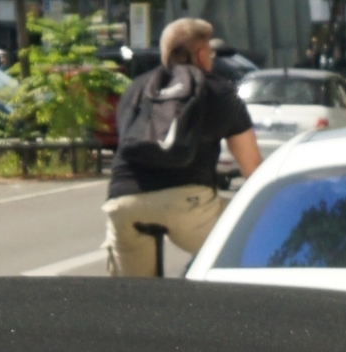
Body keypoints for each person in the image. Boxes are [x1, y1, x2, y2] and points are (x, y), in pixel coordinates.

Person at [103, 15, 262, 277]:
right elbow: (252, 168)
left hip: (124, 202)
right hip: (189, 205)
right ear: (200, 53)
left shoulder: (135, 90)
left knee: (132, 301)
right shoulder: (220, 92)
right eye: (209, 51)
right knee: (245, 240)